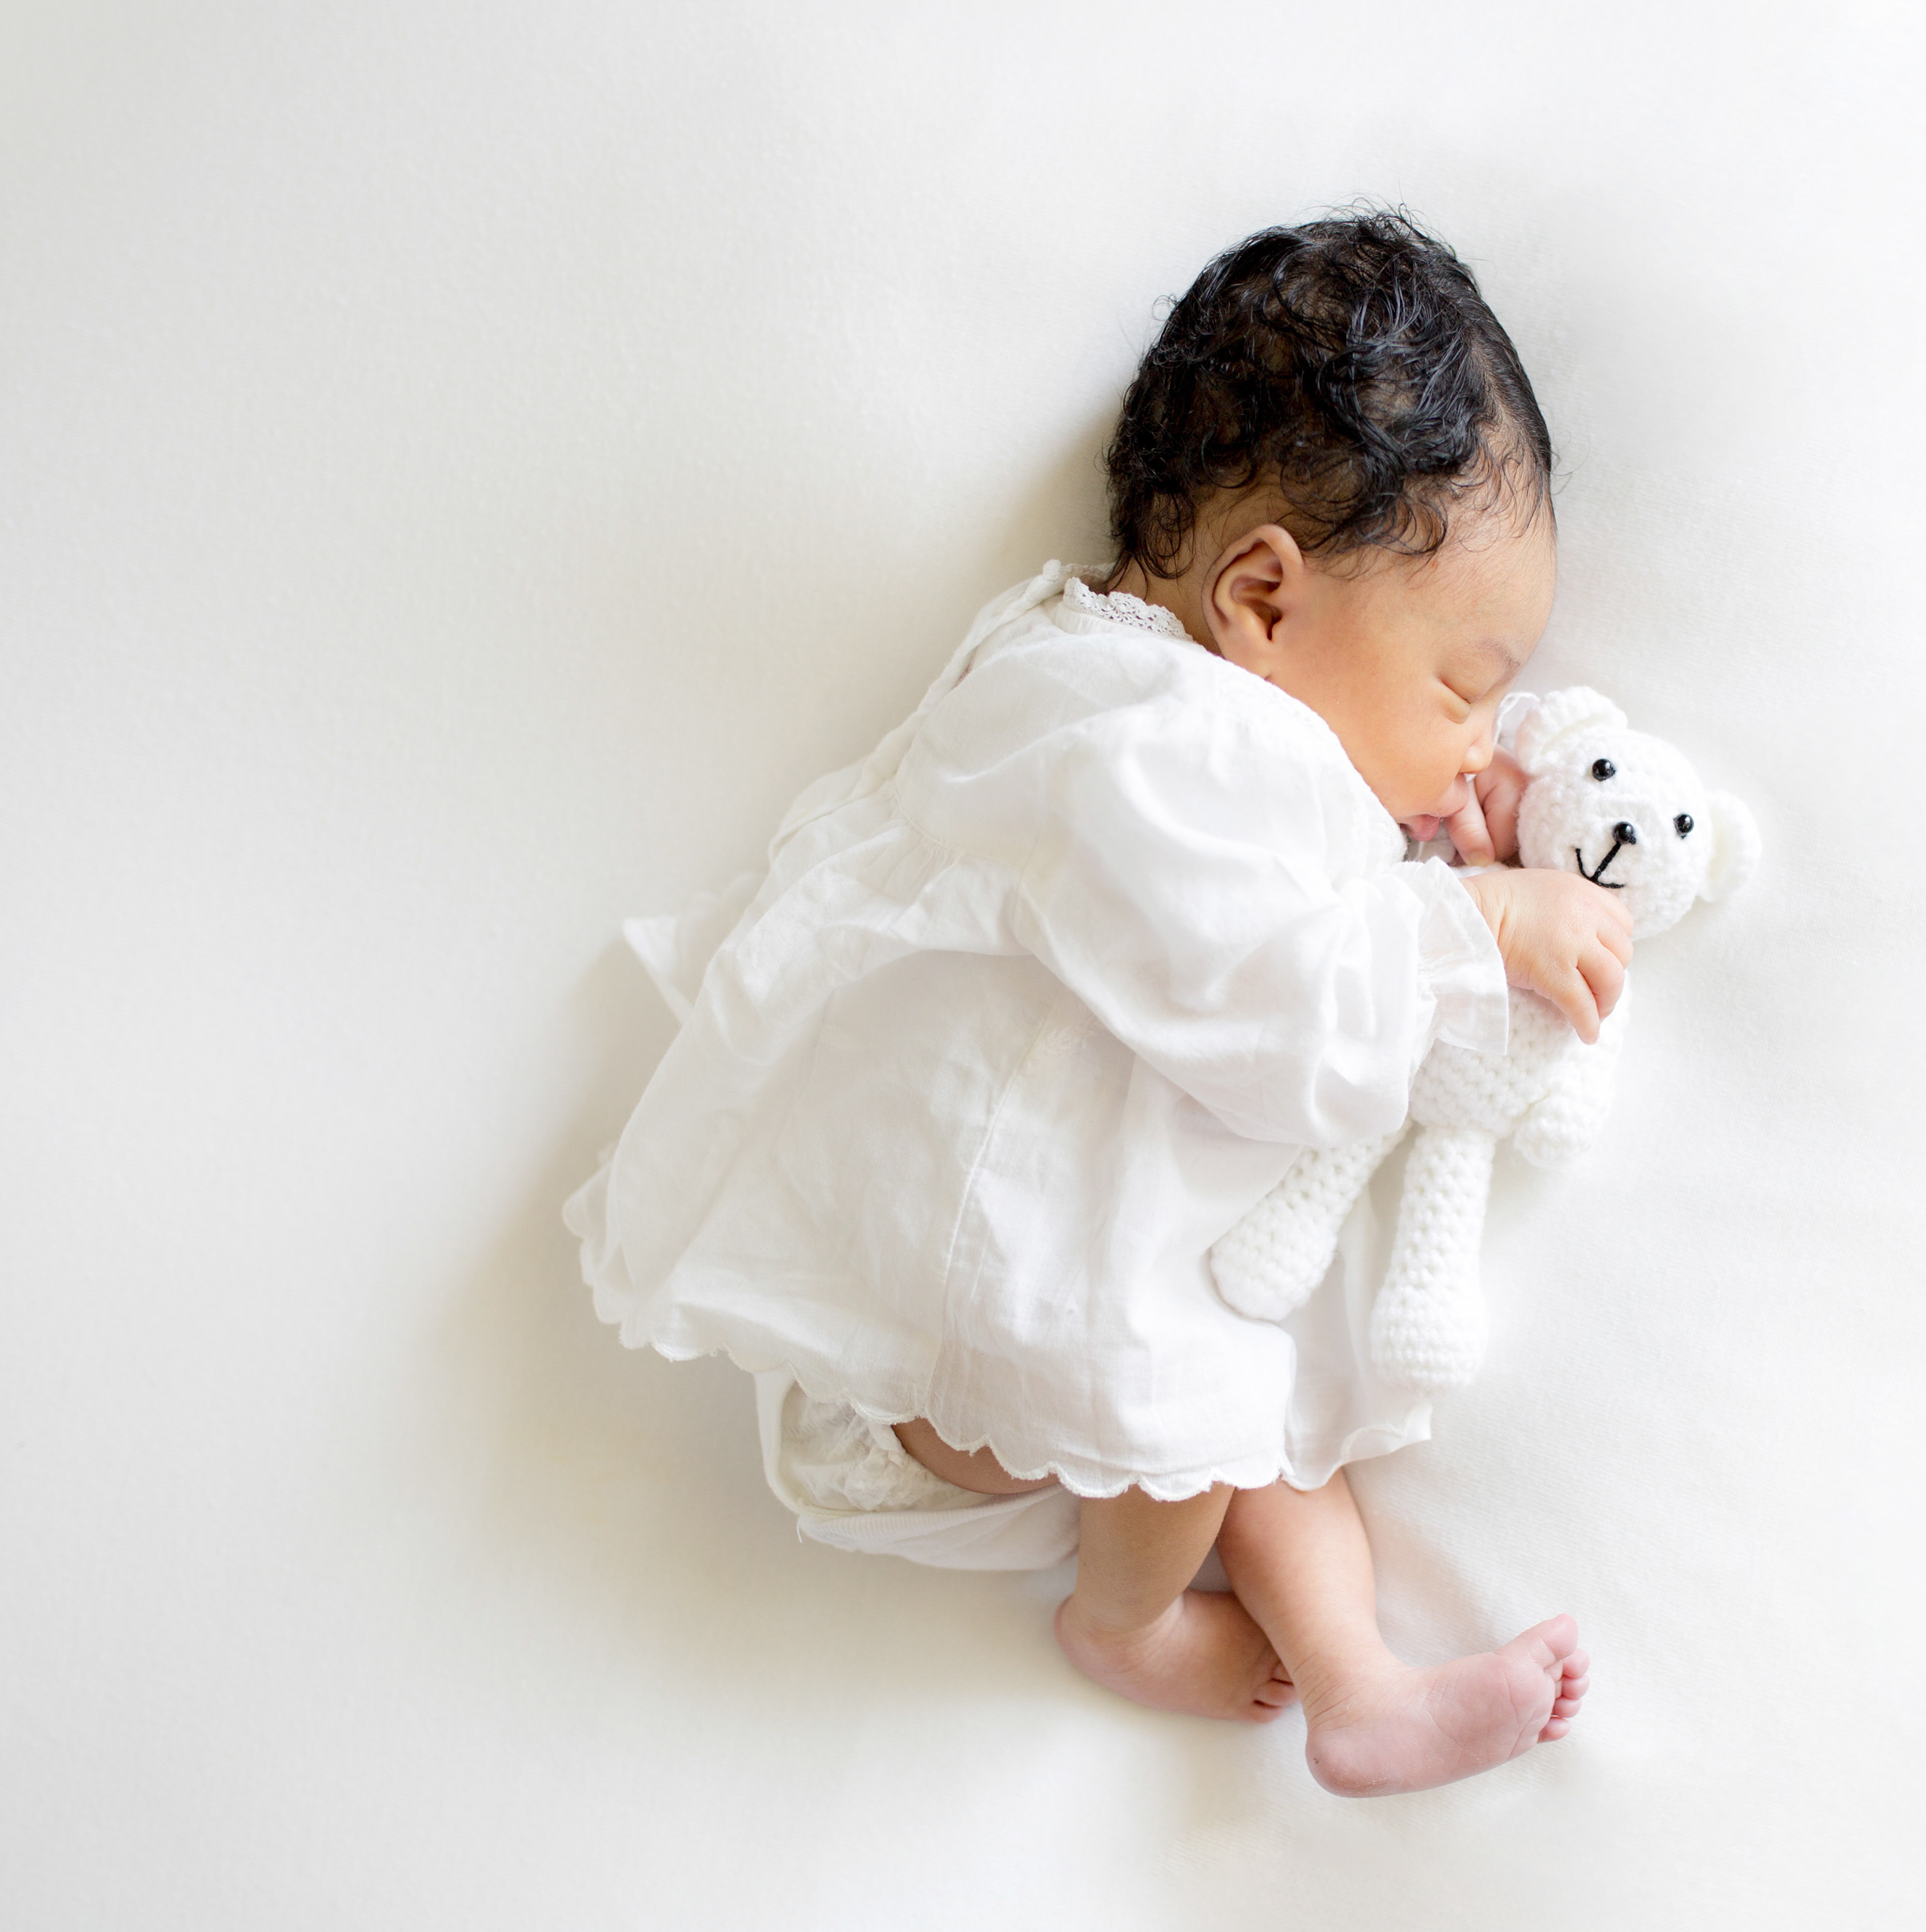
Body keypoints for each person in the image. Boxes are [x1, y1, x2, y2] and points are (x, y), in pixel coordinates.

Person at [569, 211, 1611, 1796]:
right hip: (976, 1318)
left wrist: (1405, 829)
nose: (1482, 741)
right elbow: (1283, 1024)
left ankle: (1361, 1685)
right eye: (1461, 689)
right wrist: (1473, 920)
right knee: (1199, 1411)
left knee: (1257, 1418)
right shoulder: (1166, 738)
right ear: (1262, 600)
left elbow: (1237, 921)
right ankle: (1121, 1621)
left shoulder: (1120, 688)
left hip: (1004, 1314)